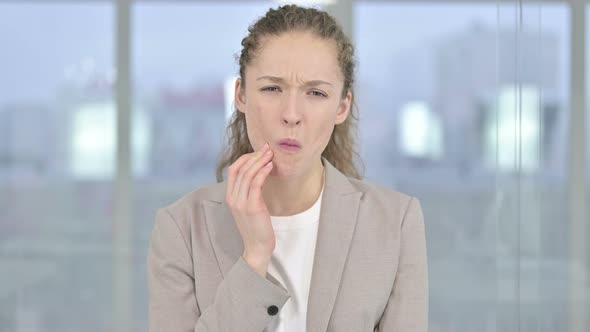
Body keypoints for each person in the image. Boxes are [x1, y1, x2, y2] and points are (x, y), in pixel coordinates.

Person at [148, 4, 428, 332]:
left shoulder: (395, 222)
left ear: (342, 106)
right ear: (241, 95)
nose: (292, 114)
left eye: (316, 93)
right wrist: (255, 256)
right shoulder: (182, 228)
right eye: (272, 88)